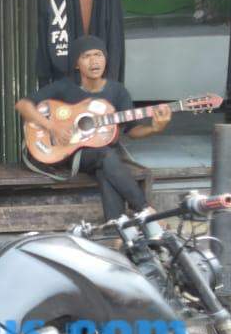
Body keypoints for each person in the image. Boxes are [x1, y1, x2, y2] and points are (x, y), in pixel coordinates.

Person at [15, 35, 171, 220]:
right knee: (106, 156)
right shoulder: (65, 87)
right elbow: (23, 105)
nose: (94, 61)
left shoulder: (118, 91)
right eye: (86, 56)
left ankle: (117, 228)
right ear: (76, 64)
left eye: (98, 55)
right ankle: (144, 209)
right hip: (70, 153)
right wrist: (52, 126)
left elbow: (131, 130)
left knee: (105, 169)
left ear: (105, 59)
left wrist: (155, 129)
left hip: (104, 158)